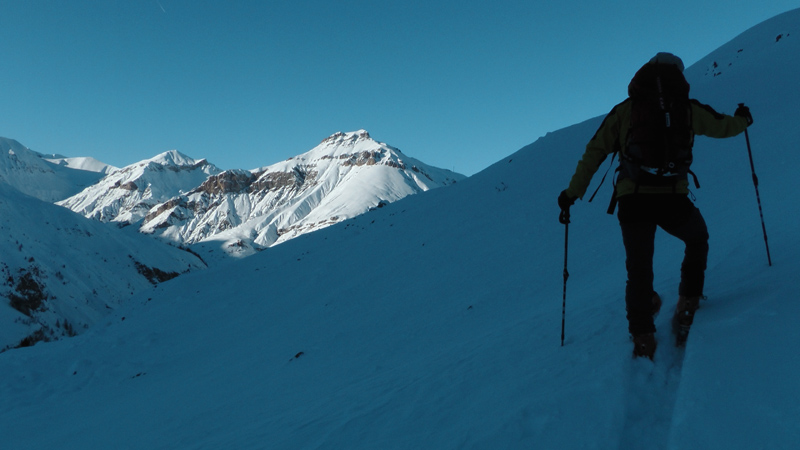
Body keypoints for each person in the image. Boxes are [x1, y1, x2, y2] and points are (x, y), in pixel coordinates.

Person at [557, 52, 753, 359]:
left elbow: (594, 152)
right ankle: (687, 305)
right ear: (678, 76)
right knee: (697, 239)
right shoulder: (687, 110)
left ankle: (643, 337)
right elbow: (723, 127)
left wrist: (571, 193)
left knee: (639, 270)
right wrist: (743, 118)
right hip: (672, 197)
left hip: (633, 199)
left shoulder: (625, 111)